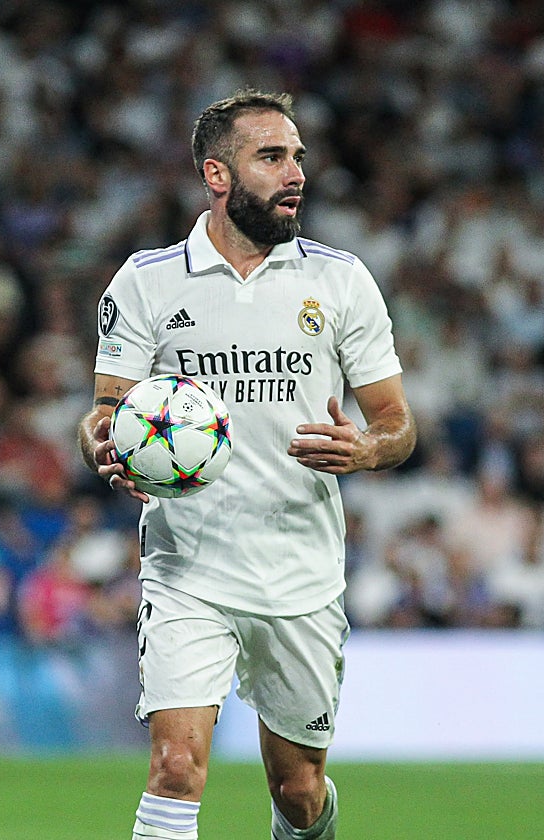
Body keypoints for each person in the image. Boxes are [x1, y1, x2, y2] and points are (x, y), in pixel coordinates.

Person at [77, 90, 416, 840]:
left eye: (297, 155)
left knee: (297, 790)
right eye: (272, 156)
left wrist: (369, 448)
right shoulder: (147, 281)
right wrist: (103, 442)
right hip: (187, 565)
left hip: (300, 568)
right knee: (175, 766)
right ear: (217, 175)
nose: (295, 172)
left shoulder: (340, 280)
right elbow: (106, 412)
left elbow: (396, 423)